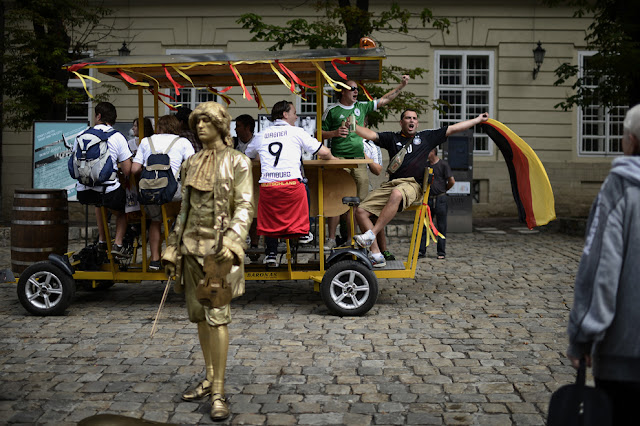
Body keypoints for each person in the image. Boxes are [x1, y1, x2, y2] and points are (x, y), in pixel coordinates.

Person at [162, 102, 253, 421]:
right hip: (190, 248)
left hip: (219, 252)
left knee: (218, 317)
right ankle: (210, 376)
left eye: (206, 121)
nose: (200, 126)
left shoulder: (238, 161)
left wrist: (232, 241)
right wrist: (172, 246)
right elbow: (184, 209)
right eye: (197, 121)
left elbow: (245, 206)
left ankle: (219, 391)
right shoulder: (190, 162)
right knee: (200, 316)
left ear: (220, 125)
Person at [566, 104, 640, 425]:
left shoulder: (620, 188)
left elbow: (600, 269)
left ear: (631, 141)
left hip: (625, 355)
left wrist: (582, 337)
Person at [352, 110, 488, 267]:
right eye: (408, 118)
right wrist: (352, 125)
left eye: (414, 118)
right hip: (392, 184)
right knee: (360, 211)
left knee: (397, 193)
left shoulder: (426, 137)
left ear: (417, 123)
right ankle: (376, 254)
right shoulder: (392, 138)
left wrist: (477, 119)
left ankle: (372, 234)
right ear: (401, 122)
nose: (411, 120)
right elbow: (370, 134)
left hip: (412, 185)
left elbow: (453, 128)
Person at [322, 75, 410, 249]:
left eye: (357, 89)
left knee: (360, 203)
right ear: (342, 91)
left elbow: (384, 100)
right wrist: (334, 133)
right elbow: (318, 133)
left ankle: (352, 239)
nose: (356, 91)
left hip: (359, 160)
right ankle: (331, 238)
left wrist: (401, 85)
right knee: (336, 200)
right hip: (338, 160)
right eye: (352, 89)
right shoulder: (331, 110)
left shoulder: (361, 106)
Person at [245, 100, 335, 266]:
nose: (296, 116)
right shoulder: (296, 132)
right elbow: (323, 151)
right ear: (285, 114)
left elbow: (248, 155)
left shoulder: (261, 134)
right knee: (304, 185)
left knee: (272, 220)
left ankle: (271, 254)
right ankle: (303, 232)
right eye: (294, 113)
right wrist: (331, 157)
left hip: (268, 189)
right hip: (291, 188)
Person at [131, 115, 195, 271]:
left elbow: (134, 169)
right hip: (173, 193)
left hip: (149, 192)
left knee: (155, 221)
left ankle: (154, 260)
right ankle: (178, 254)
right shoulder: (183, 142)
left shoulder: (146, 141)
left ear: (159, 127)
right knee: (186, 212)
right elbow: (194, 166)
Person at [74, 101, 133, 260]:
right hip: (108, 191)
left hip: (83, 191)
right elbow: (127, 170)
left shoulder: (81, 135)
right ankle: (118, 245)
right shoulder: (117, 136)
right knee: (124, 209)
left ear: (99, 116)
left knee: (99, 204)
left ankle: (102, 241)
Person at [418, 148, 454, 260]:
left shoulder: (443, 164)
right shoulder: (426, 165)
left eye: (428, 151)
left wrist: (443, 190)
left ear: (433, 152)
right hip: (427, 199)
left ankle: (441, 252)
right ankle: (421, 250)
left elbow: (451, 181)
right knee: (424, 226)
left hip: (440, 199)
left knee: (441, 226)